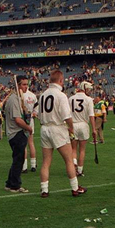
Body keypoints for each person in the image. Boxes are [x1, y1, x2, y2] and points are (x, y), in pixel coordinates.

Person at [36, 69, 85, 198]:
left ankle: (44, 189)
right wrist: (71, 128)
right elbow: (67, 116)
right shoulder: (61, 95)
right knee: (68, 160)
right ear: (61, 80)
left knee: (46, 161)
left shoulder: (43, 94)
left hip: (44, 128)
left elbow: (38, 115)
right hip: (57, 128)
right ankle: (75, 188)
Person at [3, 75, 32, 194]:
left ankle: (10, 183)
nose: (26, 87)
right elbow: (17, 119)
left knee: (17, 159)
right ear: (18, 85)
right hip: (16, 133)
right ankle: (15, 185)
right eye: (24, 84)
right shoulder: (14, 99)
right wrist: (28, 128)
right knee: (18, 160)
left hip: (15, 133)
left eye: (27, 84)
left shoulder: (17, 98)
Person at [69, 82, 96, 177]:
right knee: (82, 150)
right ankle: (80, 170)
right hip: (83, 125)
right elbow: (91, 115)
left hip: (73, 125)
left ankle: (74, 164)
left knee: (73, 149)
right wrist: (94, 129)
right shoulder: (88, 99)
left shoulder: (71, 98)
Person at [22, 86, 38, 171]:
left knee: (24, 144)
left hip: (22, 121)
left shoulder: (19, 96)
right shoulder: (33, 95)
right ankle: (33, 164)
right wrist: (34, 114)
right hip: (30, 120)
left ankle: (24, 167)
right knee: (31, 143)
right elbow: (36, 108)